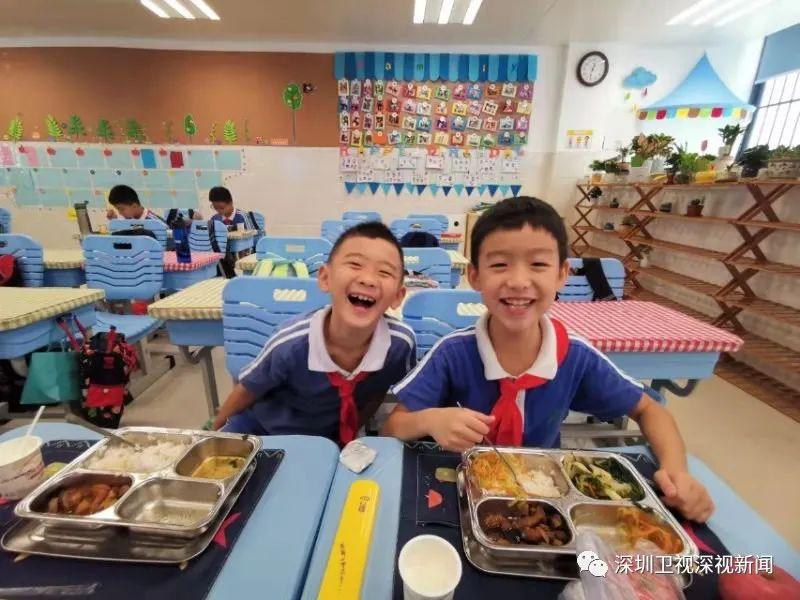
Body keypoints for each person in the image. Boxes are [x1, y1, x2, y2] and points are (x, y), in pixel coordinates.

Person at [381, 196, 714, 522]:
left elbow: (650, 409)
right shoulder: (453, 352)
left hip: (546, 497)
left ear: (561, 274)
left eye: (538, 264)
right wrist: (431, 421)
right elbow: (392, 427)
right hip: (465, 488)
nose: (518, 281)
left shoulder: (576, 357)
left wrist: (677, 472)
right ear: (475, 276)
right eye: (499, 264)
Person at [212, 221, 416, 446]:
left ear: (398, 296)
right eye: (355, 264)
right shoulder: (290, 342)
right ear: (325, 278)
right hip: (264, 432)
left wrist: (349, 436)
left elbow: (378, 392)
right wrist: (213, 434)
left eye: (384, 272)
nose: (367, 279)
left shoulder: (400, 345)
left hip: (325, 442)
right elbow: (247, 391)